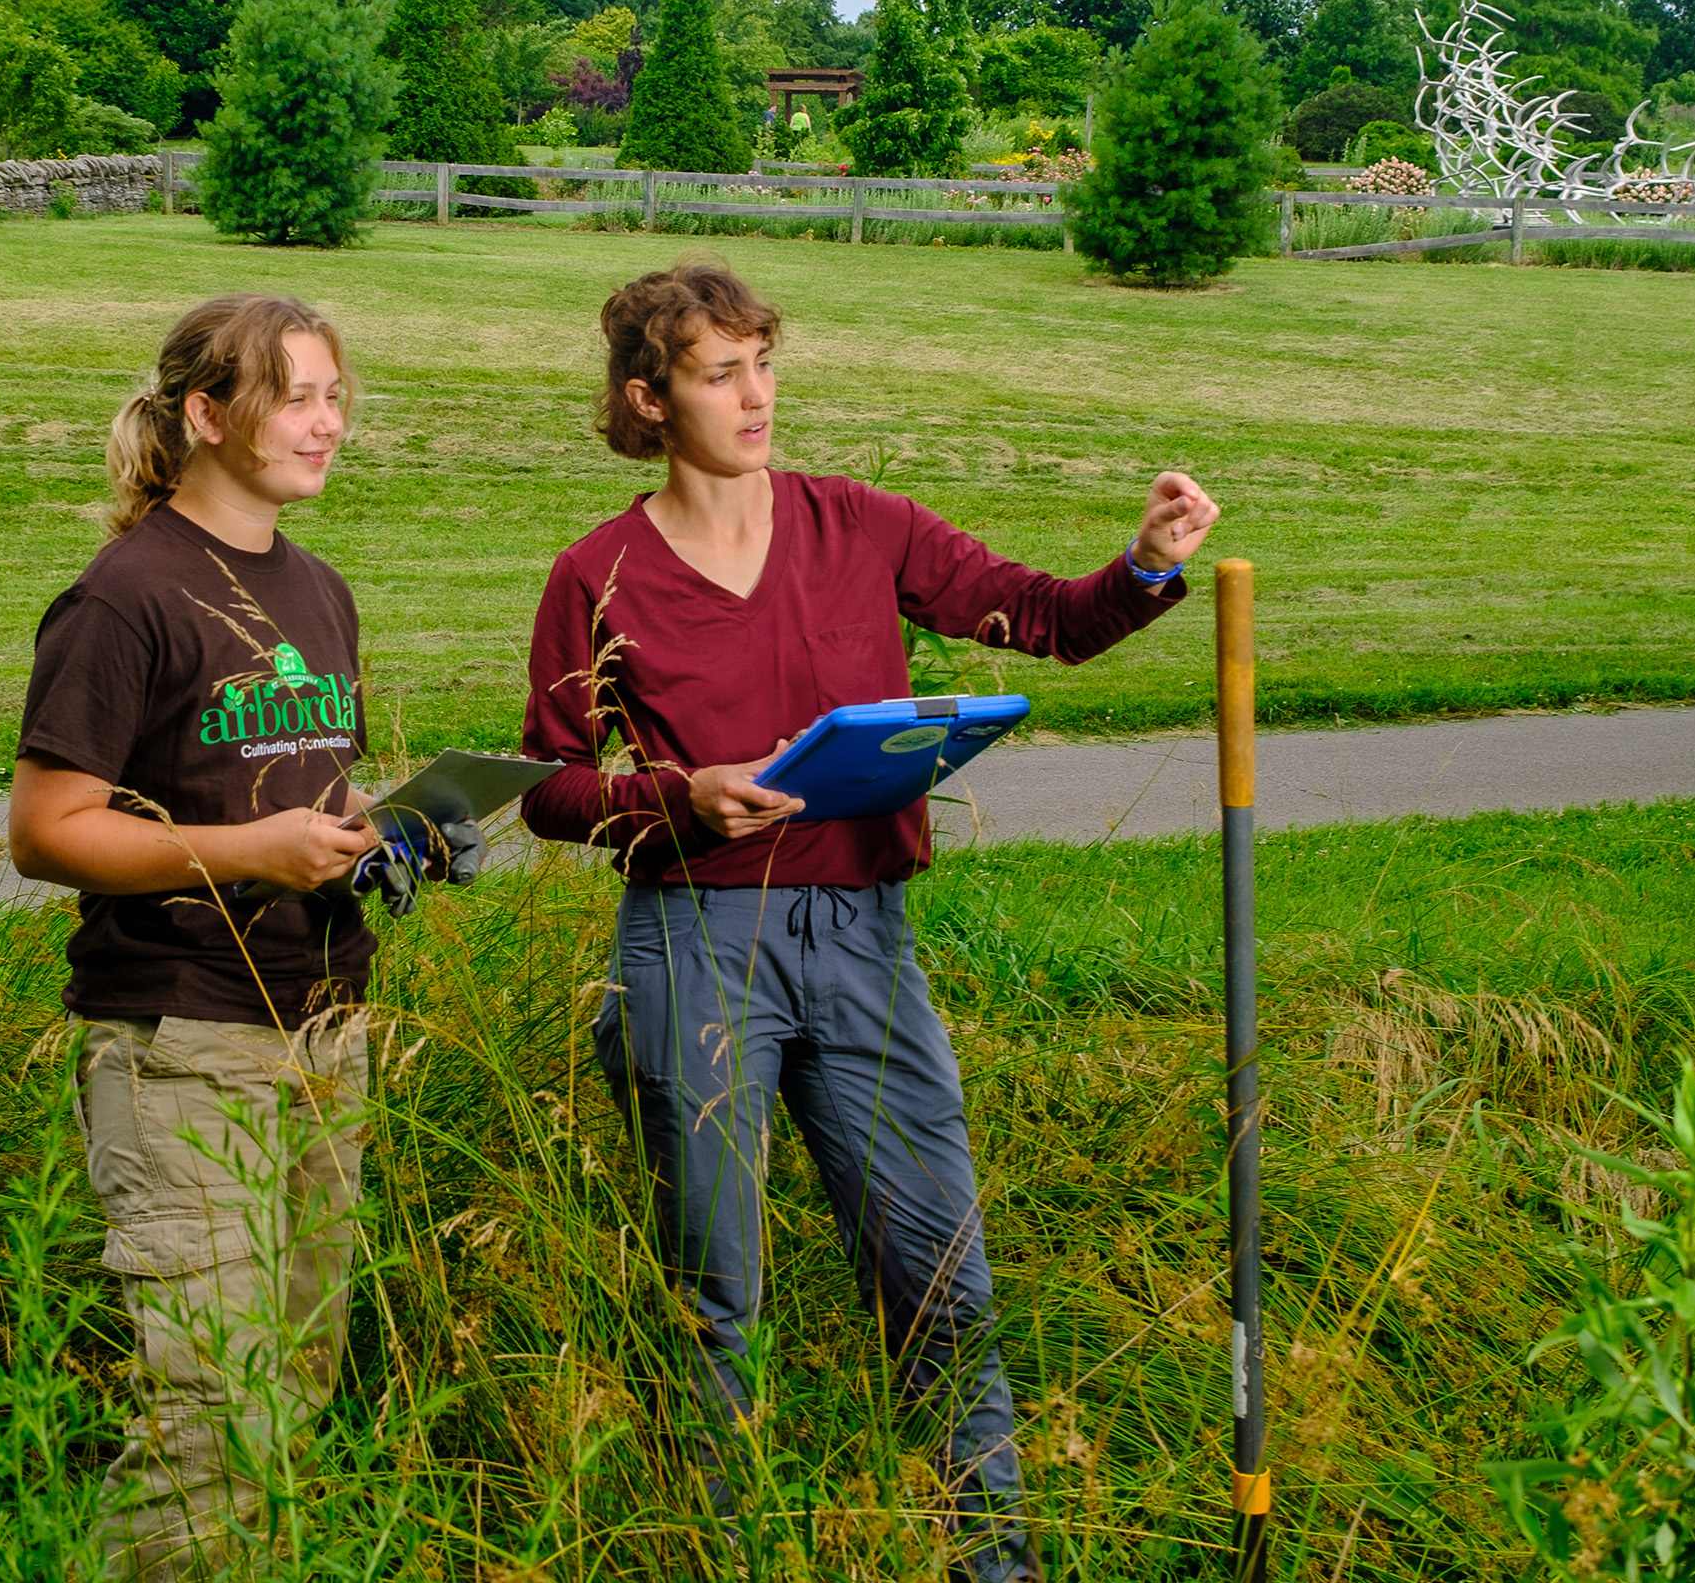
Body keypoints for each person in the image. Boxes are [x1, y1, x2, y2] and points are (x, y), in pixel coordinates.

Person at [518, 264, 1220, 1582]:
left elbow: (1049, 621)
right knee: (716, 1295)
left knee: (938, 1272)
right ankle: (723, 1552)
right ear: (647, 398)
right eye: (719, 373)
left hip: (862, 936)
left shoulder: (863, 526)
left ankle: (986, 1561)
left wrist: (1143, 565)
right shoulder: (597, 574)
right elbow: (552, 787)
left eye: (764, 362)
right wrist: (681, 798)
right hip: (694, 941)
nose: (755, 394)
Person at [6, 293, 469, 1582]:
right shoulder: (124, 597)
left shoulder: (318, 592)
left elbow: (295, 795)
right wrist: (248, 854)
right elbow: (47, 831)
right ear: (207, 415)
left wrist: (388, 833)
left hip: (323, 1026)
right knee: (209, 1412)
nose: (329, 426)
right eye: (298, 398)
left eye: (337, 398)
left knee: (296, 1385)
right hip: (181, 1041)